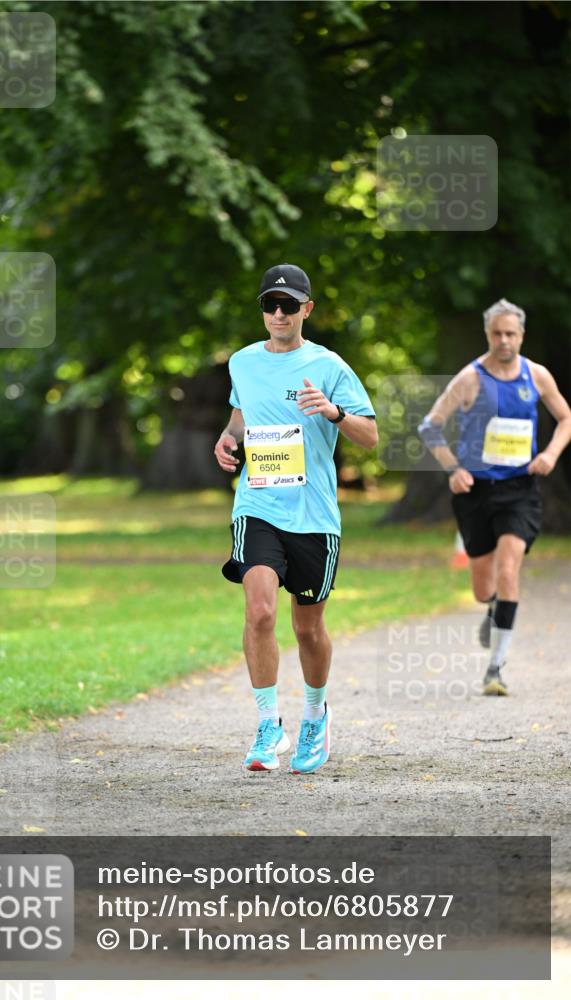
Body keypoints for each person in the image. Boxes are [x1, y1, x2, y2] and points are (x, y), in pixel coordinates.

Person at [213, 263, 377, 773]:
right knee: (260, 611)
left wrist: (332, 412)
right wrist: (228, 438)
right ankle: (268, 726)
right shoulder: (242, 362)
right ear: (262, 310)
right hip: (258, 505)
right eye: (270, 305)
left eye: (288, 305)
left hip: (314, 514)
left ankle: (314, 716)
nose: (278, 313)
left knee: (308, 628)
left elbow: (369, 436)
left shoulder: (328, 365)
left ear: (307, 308)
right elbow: (241, 415)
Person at [418, 298, 571, 695]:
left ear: (521, 335)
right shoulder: (469, 379)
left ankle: (495, 669)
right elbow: (429, 427)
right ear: (488, 334)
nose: (504, 340)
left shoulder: (535, 376)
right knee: (484, 588)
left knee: (509, 571)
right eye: (497, 333)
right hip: (475, 493)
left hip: (520, 490)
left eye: (511, 333)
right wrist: (453, 468)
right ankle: (492, 607)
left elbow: (566, 418)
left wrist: (550, 455)